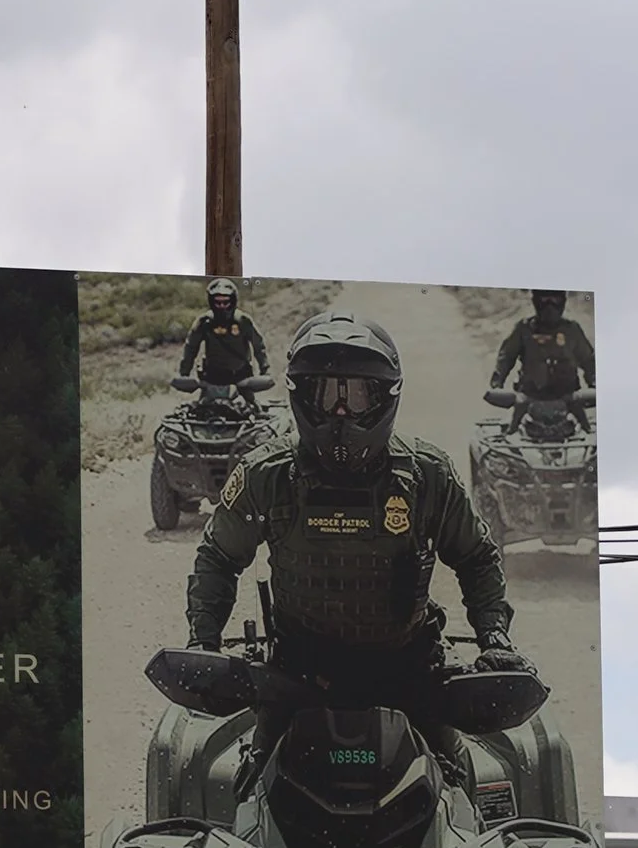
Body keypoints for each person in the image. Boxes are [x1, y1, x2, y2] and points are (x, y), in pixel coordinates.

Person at [184, 312, 523, 746]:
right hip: (296, 678)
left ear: (384, 398)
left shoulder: (428, 474)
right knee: (254, 794)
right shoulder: (265, 474)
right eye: (326, 393)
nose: (341, 411)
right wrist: (203, 642)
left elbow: (476, 557)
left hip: (408, 672)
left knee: (456, 788)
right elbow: (219, 556)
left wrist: (495, 638)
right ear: (302, 396)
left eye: (358, 395)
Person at [490, 289, 594, 416]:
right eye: (544, 300)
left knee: (587, 430)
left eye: (554, 300)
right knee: (510, 432)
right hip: (529, 399)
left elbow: (588, 360)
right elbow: (506, 357)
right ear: (535, 301)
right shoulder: (524, 329)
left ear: (562, 301)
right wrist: (497, 385)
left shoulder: (572, 329)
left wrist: (594, 384)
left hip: (568, 399)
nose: (549, 306)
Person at [176, 278, 270, 394]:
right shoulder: (204, 322)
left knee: (252, 408)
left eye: (226, 302)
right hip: (212, 378)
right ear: (211, 302)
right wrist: (184, 374)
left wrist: (265, 370)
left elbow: (258, 345)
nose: (221, 306)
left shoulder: (243, 321)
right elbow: (191, 347)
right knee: (201, 410)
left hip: (241, 377)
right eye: (217, 302)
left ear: (233, 300)